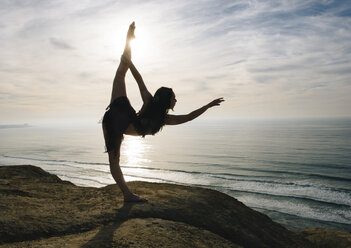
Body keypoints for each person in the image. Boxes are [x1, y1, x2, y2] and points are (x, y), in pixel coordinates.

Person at [102, 22, 224, 202]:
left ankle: (129, 40)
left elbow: (139, 79)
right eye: (174, 98)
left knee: (121, 71)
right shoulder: (164, 118)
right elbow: (188, 117)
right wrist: (208, 106)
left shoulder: (152, 105)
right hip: (117, 120)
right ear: (167, 100)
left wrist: (130, 63)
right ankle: (128, 196)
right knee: (114, 162)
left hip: (117, 114)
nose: (176, 100)